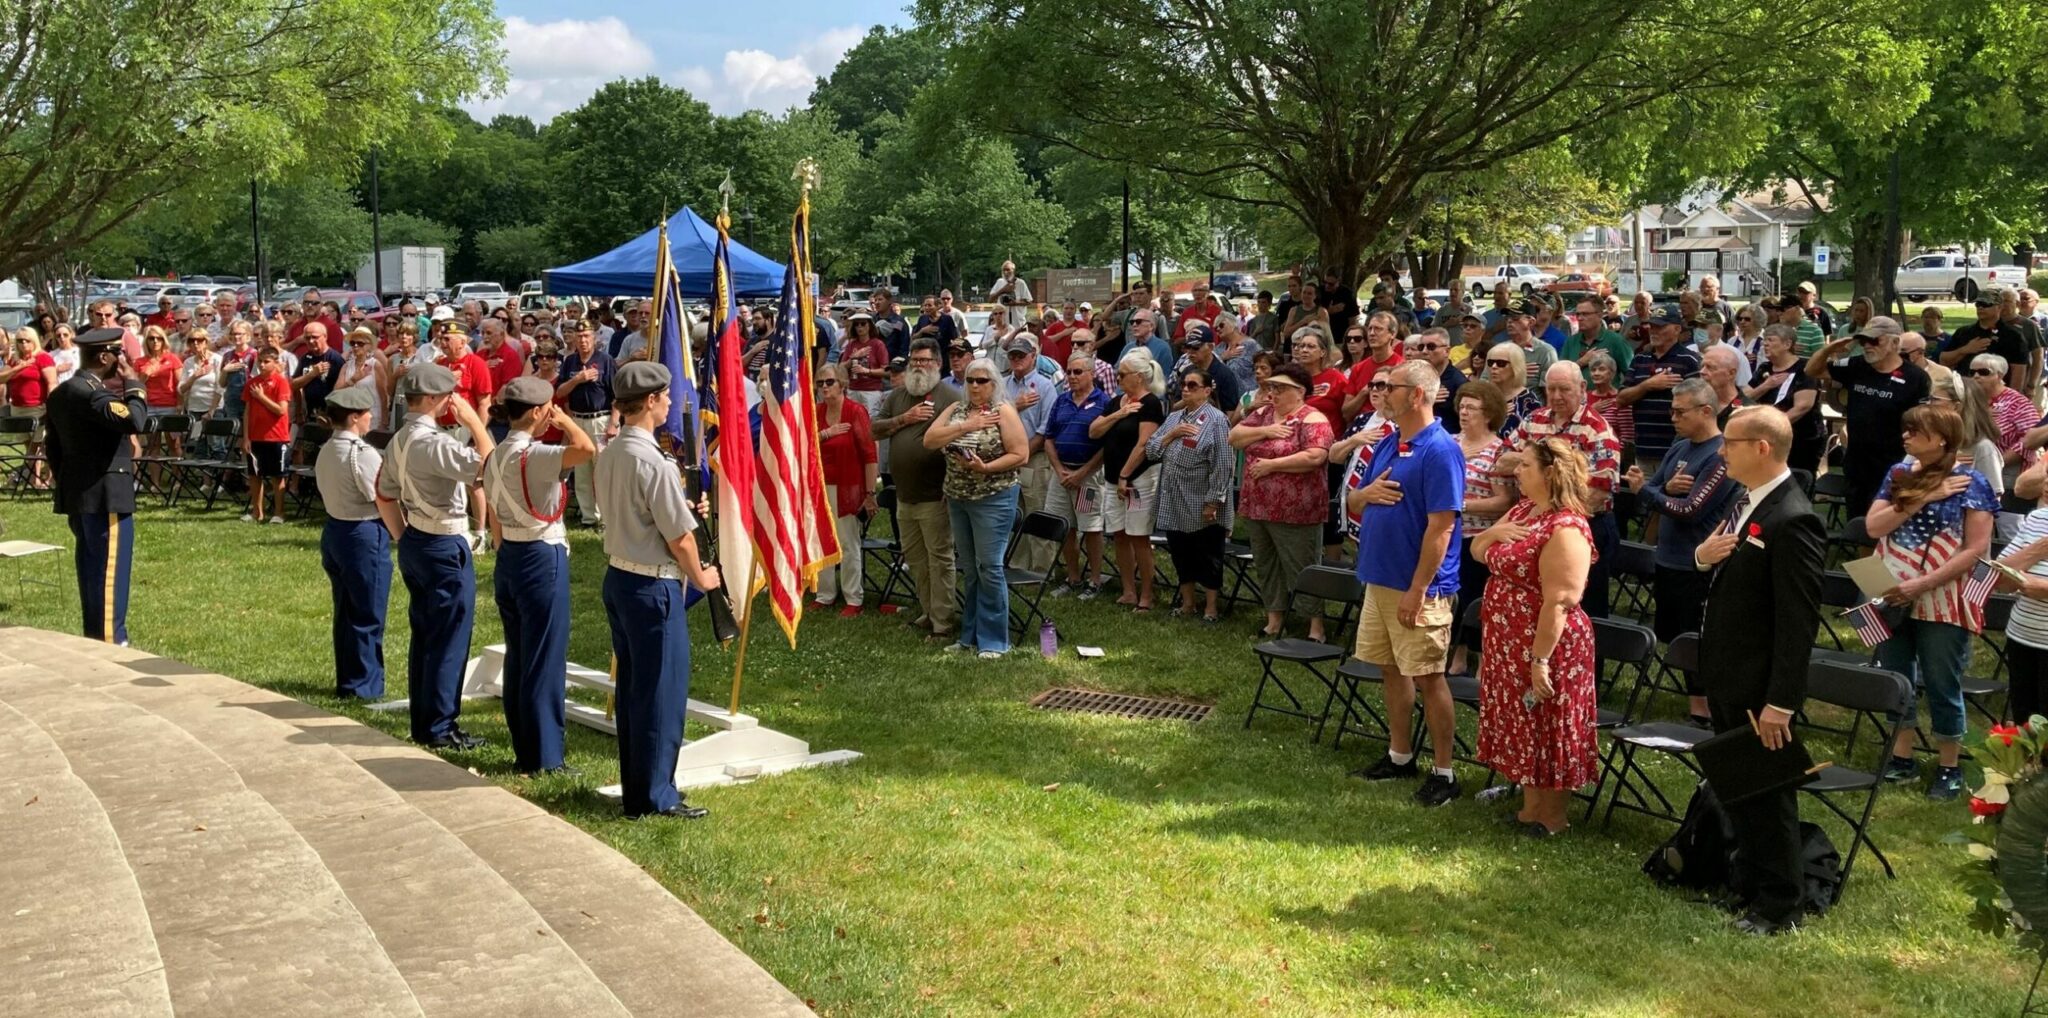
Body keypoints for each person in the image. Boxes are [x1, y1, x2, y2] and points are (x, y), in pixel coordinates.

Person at [1690, 404, 1826, 933]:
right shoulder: (1746, 501)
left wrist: (1781, 702)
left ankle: (1781, 903)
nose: (1721, 452)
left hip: (1759, 684)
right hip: (1728, 672)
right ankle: (1746, 882)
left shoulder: (1794, 518)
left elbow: (1798, 623)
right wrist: (1702, 558)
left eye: (1730, 443)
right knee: (1737, 788)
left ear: (1762, 447)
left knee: (1767, 796)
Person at [595, 361, 722, 819]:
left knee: (635, 690)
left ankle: (639, 789)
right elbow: (679, 539)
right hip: (653, 583)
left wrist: (682, 508)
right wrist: (703, 577)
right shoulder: (653, 461)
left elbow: (640, 511)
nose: (669, 402)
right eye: (665, 395)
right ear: (650, 401)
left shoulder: (611, 451)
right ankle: (655, 798)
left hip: (621, 576)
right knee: (661, 694)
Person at [1347, 359, 1466, 807]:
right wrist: (1365, 495)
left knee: (1429, 676)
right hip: (1379, 578)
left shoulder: (1440, 450)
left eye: (1390, 386)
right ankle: (1400, 756)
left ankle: (1445, 773)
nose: (1381, 393)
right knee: (1390, 668)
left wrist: (1418, 589)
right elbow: (1355, 499)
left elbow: (1442, 527)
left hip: (1419, 588)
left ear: (1416, 395)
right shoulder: (1390, 441)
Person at [1466, 436, 1599, 835]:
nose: (1516, 471)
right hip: (1508, 640)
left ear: (1550, 473)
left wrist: (1540, 660)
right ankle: (1530, 808)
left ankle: (1552, 817)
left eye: (1525, 465)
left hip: (1549, 644)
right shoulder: (1525, 510)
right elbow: (1477, 551)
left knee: (1549, 722)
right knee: (1524, 721)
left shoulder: (1566, 527)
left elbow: (1560, 600)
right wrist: (1494, 533)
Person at [1866, 403, 1996, 800]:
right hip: (1888, 587)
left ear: (1941, 438)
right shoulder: (1899, 474)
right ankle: (1901, 757)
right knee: (1896, 674)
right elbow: (1873, 526)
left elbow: (1975, 549)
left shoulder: (1972, 483)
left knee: (1942, 681)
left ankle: (1949, 766)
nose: (1905, 436)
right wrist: (1923, 496)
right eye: (1905, 429)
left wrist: (1922, 584)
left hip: (1944, 596)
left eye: (1914, 430)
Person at [375, 362, 494, 751]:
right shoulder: (435, 443)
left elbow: (384, 494)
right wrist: (475, 422)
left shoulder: (399, 439)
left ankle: (425, 722)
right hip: (443, 541)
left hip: (417, 539)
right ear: (430, 398)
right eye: (447, 396)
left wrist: (404, 537)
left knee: (426, 635)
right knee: (449, 638)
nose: (452, 402)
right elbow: (493, 469)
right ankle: (440, 726)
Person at [483, 376, 593, 775]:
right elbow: (587, 449)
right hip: (540, 555)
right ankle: (545, 757)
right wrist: (566, 423)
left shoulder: (496, 453)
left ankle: (525, 748)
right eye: (547, 408)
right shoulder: (536, 454)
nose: (552, 413)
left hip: (511, 554)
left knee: (520, 654)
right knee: (544, 657)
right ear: (535, 412)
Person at [1624, 378, 1737, 723]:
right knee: (1672, 633)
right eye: (1671, 411)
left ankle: (1702, 708)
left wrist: (1652, 492)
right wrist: (1662, 491)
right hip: (1667, 559)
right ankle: (1694, 698)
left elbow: (1690, 510)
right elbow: (1656, 489)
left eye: (1679, 412)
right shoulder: (1679, 446)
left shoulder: (1719, 457)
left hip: (1696, 563)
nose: (1673, 418)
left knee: (1694, 636)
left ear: (1706, 411)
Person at [43, 329, 148, 644]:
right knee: (109, 574)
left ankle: (94, 638)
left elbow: (53, 449)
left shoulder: (61, 393)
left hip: (80, 494)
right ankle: (111, 641)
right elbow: (134, 421)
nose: (122, 361)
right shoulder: (92, 394)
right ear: (105, 357)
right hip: (106, 496)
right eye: (118, 354)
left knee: (91, 572)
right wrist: (135, 385)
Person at [922, 356, 1028, 658]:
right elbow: (930, 439)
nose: (975, 386)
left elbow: (1020, 454)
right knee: (970, 568)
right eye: (970, 380)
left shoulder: (1003, 411)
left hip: (993, 498)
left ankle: (994, 641)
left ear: (994, 384)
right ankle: (969, 636)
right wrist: (968, 426)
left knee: (989, 567)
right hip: (958, 498)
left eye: (982, 380)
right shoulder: (957, 409)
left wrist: (986, 468)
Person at [1504, 362, 1624, 618]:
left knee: (1579, 607)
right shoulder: (1534, 419)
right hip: (1534, 521)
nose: (1556, 396)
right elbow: (1502, 459)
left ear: (1582, 388)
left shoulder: (1597, 430)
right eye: (1551, 389)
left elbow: (1600, 491)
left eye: (1564, 389)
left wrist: (1554, 513)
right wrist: (1539, 463)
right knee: (1538, 599)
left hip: (1584, 525)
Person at [1231, 362, 1335, 640]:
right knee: (1267, 564)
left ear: (1300, 391)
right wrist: (1265, 432)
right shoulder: (1263, 414)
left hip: (1296, 510)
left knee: (1301, 565)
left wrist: (1272, 465)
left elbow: (1315, 456)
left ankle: (1315, 626)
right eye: (1272, 387)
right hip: (1258, 506)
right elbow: (1234, 437)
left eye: (1280, 388)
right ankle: (1274, 620)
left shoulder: (1312, 418)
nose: (1273, 393)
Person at [314, 386, 401, 700]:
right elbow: (381, 495)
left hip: (336, 530)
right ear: (354, 417)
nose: (370, 419)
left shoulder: (328, 448)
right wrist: (402, 534)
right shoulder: (361, 453)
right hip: (362, 533)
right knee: (367, 612)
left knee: (347, 611)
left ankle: (349, 679)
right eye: (367, 414)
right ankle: (364, 686)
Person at [876, 337, 963, 643]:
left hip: (935, 496)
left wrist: (950, 484)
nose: (918, 366)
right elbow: (874, 428)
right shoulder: (898, 396)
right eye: (914, 360)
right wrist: (904, 419)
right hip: (904, 495)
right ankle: (928, 612)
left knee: (939, 560)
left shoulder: (951, 398)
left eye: (924, 360)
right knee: (916, 559)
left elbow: (960, 443)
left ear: (938, 364)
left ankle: (943, 623)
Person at [1805, 315, 1928, 517]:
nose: (1867, 346)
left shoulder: (1916, 377)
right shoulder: (1857, 365)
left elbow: (1922, 423)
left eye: (1874, 340)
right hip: (1857, 464)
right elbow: (1812, 370)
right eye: (1863, 341)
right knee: (1858, 520)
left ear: (1895, 343)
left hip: (1893, 463)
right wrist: (1830, 348)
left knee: (1886, 520)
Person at [1147, 366, 1235, 622]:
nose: (1185, 389)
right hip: (1174, 498)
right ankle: (1188, 604)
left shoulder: (1217, 420)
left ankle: (1211, 608)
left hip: (1201, 498)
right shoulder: (1174, 418)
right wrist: (1171, 435)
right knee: (1180, 553)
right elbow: (1151, 450)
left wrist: (1213, 501)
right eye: (1183, 385)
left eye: (1192, 385)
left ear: (1207, 391)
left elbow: (1223, 465)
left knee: (1208, 553)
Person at [1090, 353, 1168, 611]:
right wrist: (1118, 414)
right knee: (1119, 534)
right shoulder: (1117, 402)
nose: (1117, 378)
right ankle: (1128, 590)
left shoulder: (1150, 404)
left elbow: (1144, 444)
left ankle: (1147, 594)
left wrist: (1125, 475)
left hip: (1138, 480)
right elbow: (1094, 431)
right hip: (1113, 479)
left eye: (1122, 374)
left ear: (1139, 377)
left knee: (1138, 535)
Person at [1450, 380, 1517, 677]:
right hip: (1447, 534)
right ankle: (1457, 656)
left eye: (1472, 408)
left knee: (1475, 598)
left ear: (1488, 413)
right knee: (1452, 596)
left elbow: (1505, 501)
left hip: (1480, 539)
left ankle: (1482, 661)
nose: (1464, 413)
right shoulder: (1449, 442)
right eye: (1462, 406)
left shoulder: (1498, 451)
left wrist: (1462, 505)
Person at [1039, 352, 1110, 597]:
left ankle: (1095, 579)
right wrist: (1059, 470)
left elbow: (1106, 446)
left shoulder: (1104, 402)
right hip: (1061, 474)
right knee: (1064, 526)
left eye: (1078, 372)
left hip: (1087, 476)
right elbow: (1049, 438)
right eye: (1069, 371)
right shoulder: (1061, 401)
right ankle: (1073, 577)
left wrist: (1082, 473)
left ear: (1092, 373)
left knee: (1091, 528)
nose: (1071, 376)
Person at [811, 362, 879, 615]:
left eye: (829, 382)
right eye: (820, 383)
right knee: (821, 540)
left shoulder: (855, 411)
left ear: (843, 384)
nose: (824, 387)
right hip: (819, 486)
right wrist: (826, 434)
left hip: (848, 486)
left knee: (848, 542)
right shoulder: (816, 411)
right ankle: (825, 593)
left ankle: (853, 598)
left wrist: (870, 493)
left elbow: (870, 455)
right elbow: (804, 444)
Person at [1618, 305, 1701, 477]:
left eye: (1660, 327)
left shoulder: (1690, 360)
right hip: (1644, 450)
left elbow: (1700, 403)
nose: (1653, 331)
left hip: (1678, 451)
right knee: (1643, 492)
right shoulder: (1640, 359)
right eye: (1652, 326)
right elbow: (1621, 399)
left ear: (1677, 329)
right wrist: (1647, 385)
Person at [1995, 459, 2048, 724]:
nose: (2046, 483)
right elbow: (1995, 576)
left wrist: (2044, 588)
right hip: (2022, 636)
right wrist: (2039, 549)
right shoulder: (2036, 519)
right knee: (2024, 725)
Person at [1003, 335, 1060, 573]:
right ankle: (1017, 564)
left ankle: (1041, 569)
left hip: (1034, 459)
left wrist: (1022, 454)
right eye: (1012, 355)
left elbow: (1046, 429)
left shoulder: (1045, 386)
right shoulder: (1002, 385)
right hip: (1007, 460)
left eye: (1021, 355)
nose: (1016, 359)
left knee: (1037, 512)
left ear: (1033, 356)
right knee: (1013, 513)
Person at [556, 322, 617, 527]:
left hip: (601, 419)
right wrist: (578, 379)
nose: (583, 340)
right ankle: (589, 518)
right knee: (581, 471)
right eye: (579, 336)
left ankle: (607, 518)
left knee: (603, 471)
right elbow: (560, 392)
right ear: (574, 339)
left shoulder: (605, 361)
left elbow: (617, 396)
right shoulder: (569, 362)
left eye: (587, 336)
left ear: (594, 338)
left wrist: (614, 423)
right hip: (578, 420)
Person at [1742, 324, 1823, 473]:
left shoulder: (1804, 369)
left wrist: (1773, 427)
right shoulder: (1764, 368)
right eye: (1765, 340)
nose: (1765, 344)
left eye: (1771, 340)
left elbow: (1803, 406)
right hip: (1767, 438)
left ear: (1787, 344)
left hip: (1800, 439)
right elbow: (1744, 397)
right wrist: (1765, 386)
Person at [241, 348, 293, 523]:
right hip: (255, 437)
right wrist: (246, 437)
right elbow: (247, 412)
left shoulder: (281, 382)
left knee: (277, 477)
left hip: (277, 437)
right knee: (255, 475)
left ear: (275, 363)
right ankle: (257, 512)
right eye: (260, 361)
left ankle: (279, 513)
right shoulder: (252, 383)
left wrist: (261, 397)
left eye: (266, 362)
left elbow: (281, 410)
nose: (262, 365)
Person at [2, 327, 57, 487]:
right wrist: (19, 368)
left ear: (34, 341)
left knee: (38, 445)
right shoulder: (14, 360)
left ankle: (42, 478)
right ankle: (34, 479)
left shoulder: (43, 358)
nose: (24, 344)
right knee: (29, 446)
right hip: (18, 409)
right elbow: (1, 378)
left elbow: (52, 383)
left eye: (27, 340)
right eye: (20, 341)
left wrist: (50, 407)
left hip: (38, 408)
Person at [1941, 291, 2028, 382]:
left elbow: (2018, 370)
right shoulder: (1964, 332)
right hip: (1966, 386)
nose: (1980, 308)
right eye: (1978, 304)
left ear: (1999, 307)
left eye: (1986, 304)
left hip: (1997, 388)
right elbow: (1944, 360)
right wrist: (1965, 349)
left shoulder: (2013, 336)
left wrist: (2013, 391)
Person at [1971, 353, 2035, 470]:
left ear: (2000, 375)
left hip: (2008, 468)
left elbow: (2031, 440)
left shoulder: (2018, 402)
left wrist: (1997, 464)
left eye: (1983, 372)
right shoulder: (1969, 399)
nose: (1976, 376)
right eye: (1972, 372)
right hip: (1971, 464)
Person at [1408, 326, 1467, 431]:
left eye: (1431, 347)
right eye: (1421, 347)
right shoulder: (1414, 377)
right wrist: (1424, 401)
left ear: (1447, 351)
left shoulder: (1459, 383)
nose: (1424, 351)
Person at [1561, 297, 1632, 382]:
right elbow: (1560, 374)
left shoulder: (1616, 341)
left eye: (1585, 314)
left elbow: (1631, 376)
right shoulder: (1571, 342)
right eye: (1578, 314)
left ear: (1600, 315)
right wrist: (1581, 362)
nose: (1580, 318)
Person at [1484, 342, 1540, 437]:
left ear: (1515, 367)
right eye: (1490, 362)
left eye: (1501, 363)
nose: (1494, 366)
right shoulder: (1482, 395)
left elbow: (1535, 438)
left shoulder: (1529, 401)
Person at [1584, 350, 1631, 453]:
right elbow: (1576, 426)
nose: (1596, 373)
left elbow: (1627, 436)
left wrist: (1615, 455)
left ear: (1612, 373)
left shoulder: (1621, 398)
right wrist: (1592, 411)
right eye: (1593, 370)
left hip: (1613, 452)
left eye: (1601, 369)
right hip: (1586, 452)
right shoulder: (1584, 397)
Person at [989, 260, 1033, 329]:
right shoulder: (999, 282)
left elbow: (1029, 301)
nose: (1005, 272)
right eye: (1004, 270)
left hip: (1018, 323)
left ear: (1013, 270)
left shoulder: (1020, 283)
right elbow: (990, 299)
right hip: (1003, 324)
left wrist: (1015, 303)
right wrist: (1002, 290)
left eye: (1008, 270)